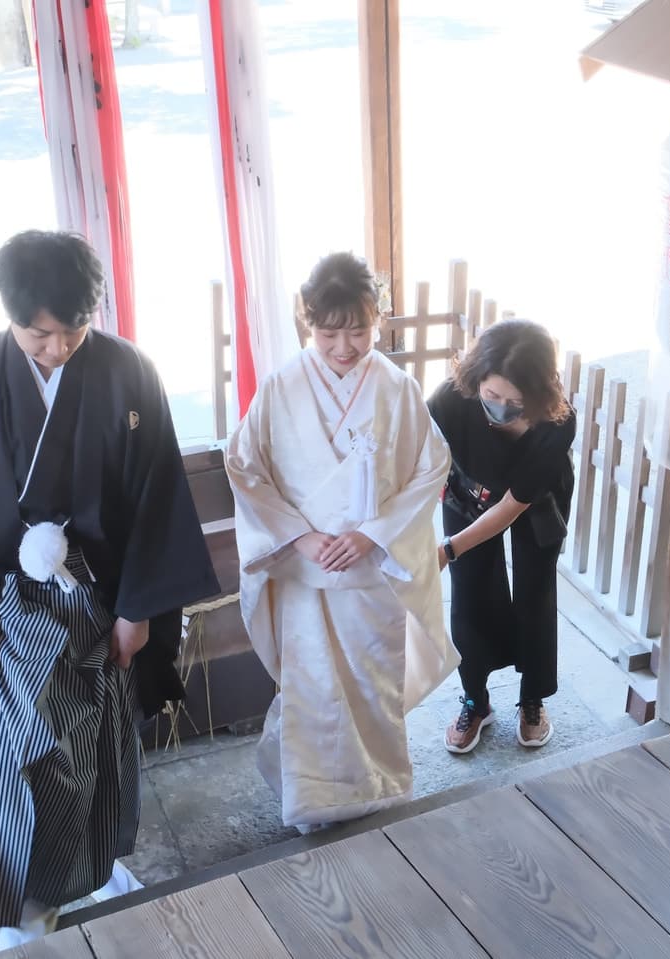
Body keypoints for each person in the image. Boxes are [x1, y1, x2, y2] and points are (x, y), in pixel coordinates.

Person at [0, 230, 219, 947]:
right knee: (12, 761)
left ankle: (101, 864)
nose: (59, 349)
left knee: (97, 749)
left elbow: (157, 497)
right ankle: (27, 908)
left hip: (99, 602)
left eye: (75, 329)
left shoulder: (129, 372)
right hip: (2, 607)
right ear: (10, 315)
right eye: (40, 335)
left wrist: (140, 607)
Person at [225, 252, 458, 831]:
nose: (345, 347)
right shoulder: (280, 388)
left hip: (369, 570)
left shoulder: (396, 388)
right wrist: (300, 537)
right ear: (309, 323)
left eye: (358, 330)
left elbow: (431, 467)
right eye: (329, 332)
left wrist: (372, 534)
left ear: (378, 320)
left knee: (372, 684)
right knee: (314, 690)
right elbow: (245, 467)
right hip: (308, 572)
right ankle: (312, 802)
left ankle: (378, 788)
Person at [427, 319, 576, 754]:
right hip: (466, 489)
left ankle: (532, 699)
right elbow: (413, 456)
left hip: (534, 501)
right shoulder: (452, 399)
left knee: (535, 588)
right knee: (470, 588)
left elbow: (513, 507)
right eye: (491, 396)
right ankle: (476, 699)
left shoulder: (557, 422)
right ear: (476, 381)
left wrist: (449, 548)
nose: (501, 408)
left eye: (516, 402)